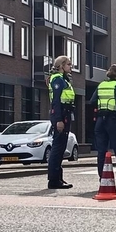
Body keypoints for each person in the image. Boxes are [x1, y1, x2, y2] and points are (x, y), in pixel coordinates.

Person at [47, 55, 75, 189]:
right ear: (61, 66)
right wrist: (58, 119)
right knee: (58, 148)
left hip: (65, 113)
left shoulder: (63, 79)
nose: (71, 67)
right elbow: (56, 101)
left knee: (61, 147)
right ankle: (53, 180)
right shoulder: (57, 79)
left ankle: (58, 178)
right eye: (69, 64)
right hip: (61, 114)